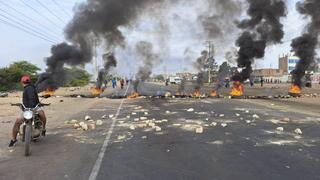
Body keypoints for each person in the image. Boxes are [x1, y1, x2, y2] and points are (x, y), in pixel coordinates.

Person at [9, 75, 47, 147]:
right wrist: (20, 105)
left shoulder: (32, 88)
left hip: (35, 107)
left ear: (21, 82)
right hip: (27, 109)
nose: (25, 83)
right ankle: (14, 139)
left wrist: (39, 103)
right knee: (18, 121)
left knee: (42, 116)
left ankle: (44, 129)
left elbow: (34, 99)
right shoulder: (29, 88)